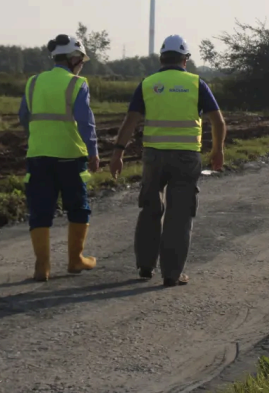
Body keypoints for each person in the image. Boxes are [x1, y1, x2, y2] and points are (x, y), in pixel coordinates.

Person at [109, 34, 226, 287]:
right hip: (186, 157)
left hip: (154, 156)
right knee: (179, 215)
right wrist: (218, 150)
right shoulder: (197, 84)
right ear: (185, 59)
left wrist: (118, 153)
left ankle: (144, 266)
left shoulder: (148, 83)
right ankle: (171, 274)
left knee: (150, 208)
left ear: (162, 58)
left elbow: (130, 121)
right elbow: (218, 121)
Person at [18, 33, 100, 282]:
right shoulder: (77, 84)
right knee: (78, 207)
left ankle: (42, 267)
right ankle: (75, 260)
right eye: (81, 60)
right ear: (74, 58)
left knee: (40, 209)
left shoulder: (33, 82)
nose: (82, 64)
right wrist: (94, 152)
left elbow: (24, 116)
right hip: (70, 157)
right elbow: (86, 123)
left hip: (38, 156)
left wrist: (40, 137)